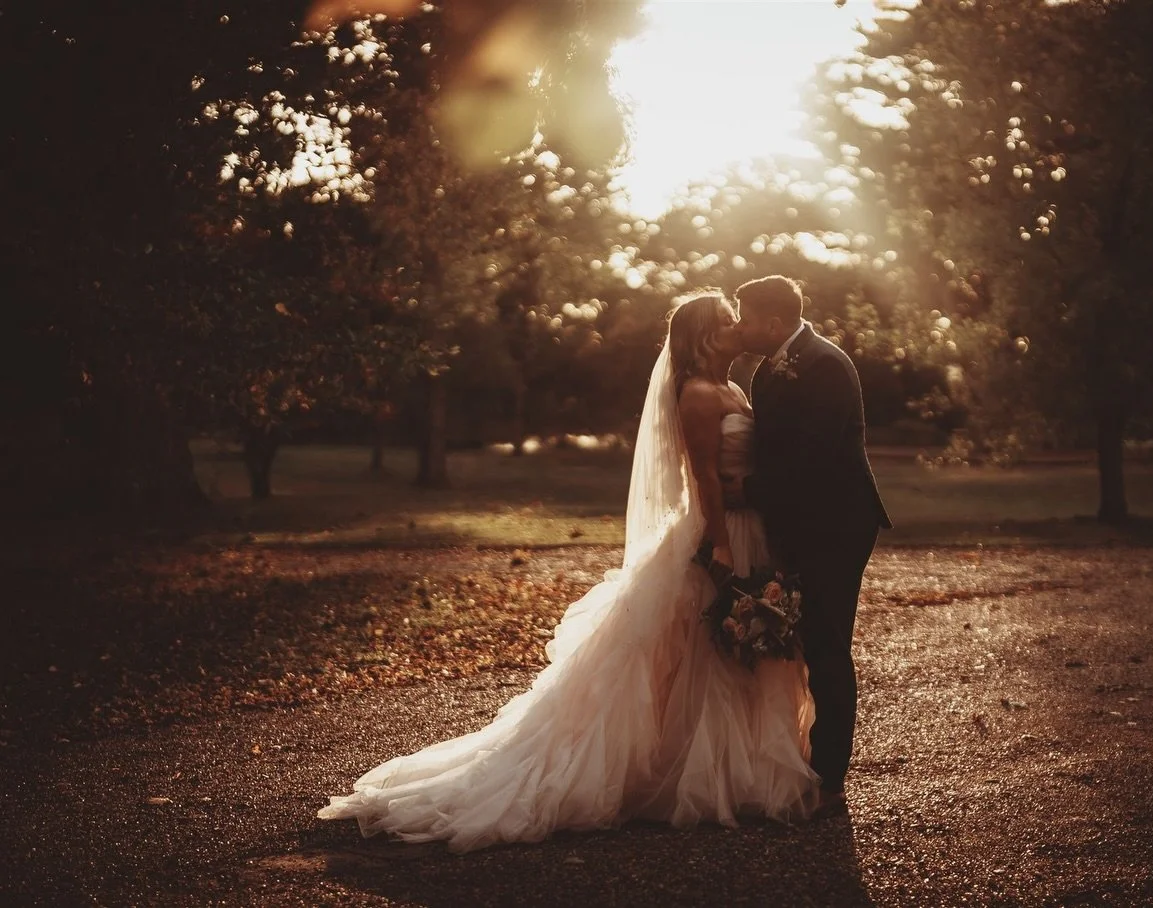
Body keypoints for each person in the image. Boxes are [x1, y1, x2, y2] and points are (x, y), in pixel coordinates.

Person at [318, 290, 819, 852]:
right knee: (703, 655)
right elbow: (702, 478)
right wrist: (723, 546)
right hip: (719, 532)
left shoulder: (732, 386)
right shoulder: (700, 395)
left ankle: (736, 769)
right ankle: (689, 775)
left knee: (731, 657)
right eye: (728, 322)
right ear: (704, 337)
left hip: (750, 528)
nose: (738, 329)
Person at [729, 275, 892, 812]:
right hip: (799, 522)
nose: (738, 326)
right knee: (801, 642)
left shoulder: (823, 365)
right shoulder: (769, 366)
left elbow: (812, 459)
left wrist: (745, 491)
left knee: (826, 646)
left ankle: (830, 778)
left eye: (744, 317)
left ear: (773, 323)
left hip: (837, 524)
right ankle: (802, 758)